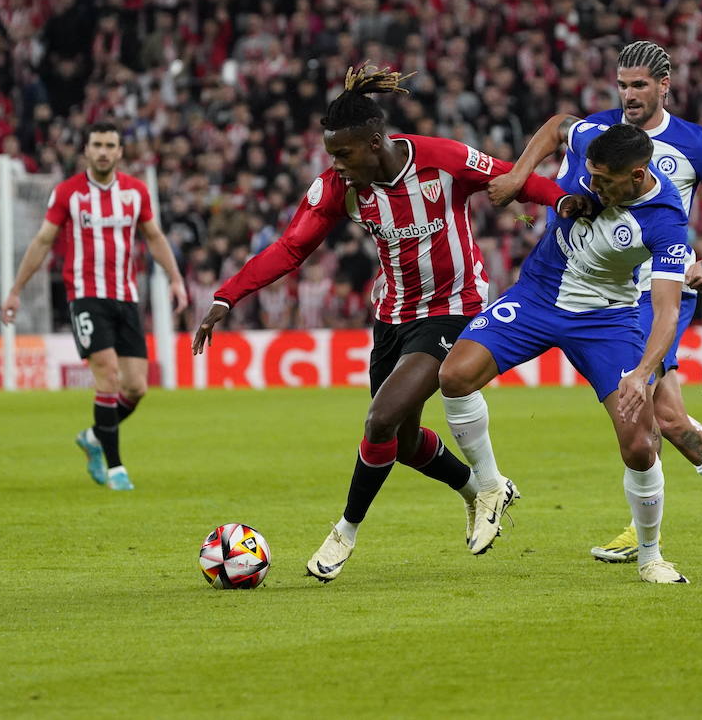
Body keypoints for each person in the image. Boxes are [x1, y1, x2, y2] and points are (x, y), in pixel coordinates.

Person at [192, 66, 584, 582]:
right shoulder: (339, 185)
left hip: (453, 306)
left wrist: (563, 200)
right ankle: (480, 490)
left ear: (375, 142)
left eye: (343, 153)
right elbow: (291, 247)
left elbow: (517, 178)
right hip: (393, 314)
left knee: (379, 420)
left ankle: (344, 533)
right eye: (331, 154)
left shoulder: (442, 159)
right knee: (397, 440)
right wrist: (227, 296)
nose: (335, 165)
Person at [490, 41, 702, 562]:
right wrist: (521, 178)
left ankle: (662, 530)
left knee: (655, 416)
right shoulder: (602, 134)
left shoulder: (696, 144)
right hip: (598, 289)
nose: (628, 95)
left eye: (640, 85)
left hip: (658, 289)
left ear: (664, 86)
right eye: (622, 84)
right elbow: (559, 131)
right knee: (663, 421)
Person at [439, 123, 692, 583]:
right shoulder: (590, 140)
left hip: (605, 319)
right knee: (454, 376)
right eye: (589, 176)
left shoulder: (665, 220)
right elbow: (558, 125)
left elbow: (667, 312)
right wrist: (519, 175)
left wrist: (640, 374)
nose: (591, 187)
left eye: (603, 182)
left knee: (638, 444)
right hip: (538, 295)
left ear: (637, 176)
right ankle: (492, 486)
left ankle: (651, 555)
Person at [1, 120, 188, 491]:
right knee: (107, 374)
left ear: (120, 152)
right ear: (86, 150)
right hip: (86, 296)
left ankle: (92, 436)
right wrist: (15, 290)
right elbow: (41, 242)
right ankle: (116, 467)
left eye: (110, 145)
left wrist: (176, 278)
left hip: (125, 297)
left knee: (136, 387)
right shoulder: (68, 193)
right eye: (97, 144)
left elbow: (154, 237)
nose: (103, 151)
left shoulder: (136, 192)